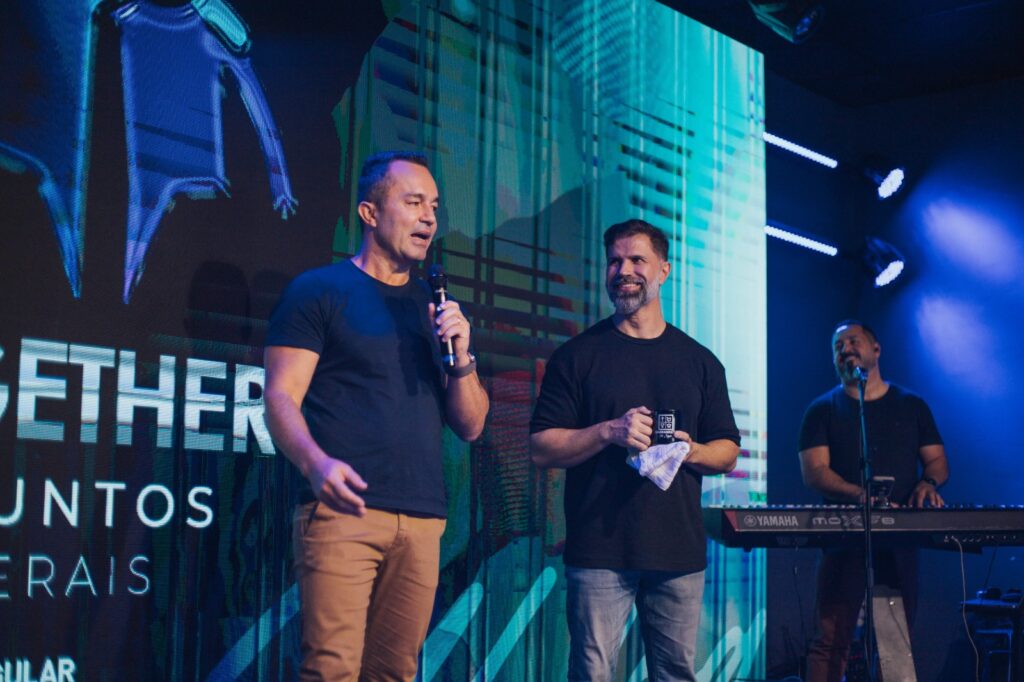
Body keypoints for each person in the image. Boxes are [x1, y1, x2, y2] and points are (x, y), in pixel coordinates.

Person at [263, 151, 489, 681]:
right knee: (332, 669)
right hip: (345, 510)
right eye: (413, 202)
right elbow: (279, 398)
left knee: (395, 673)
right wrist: (316, 464)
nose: (429, 217)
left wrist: (462, 355)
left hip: (423, 518)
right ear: (369, 212)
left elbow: (472, 424)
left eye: (434, 206)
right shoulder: (318, 291)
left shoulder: (434, 308)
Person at [529, 219, 741, 682]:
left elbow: (727, 451)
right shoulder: (577, 356)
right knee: (592, 674)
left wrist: (691, 450)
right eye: (615, 261)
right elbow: (542, 448)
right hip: (598, 551)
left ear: (663, 270)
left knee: (675, 674)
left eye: (636, 260)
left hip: (678, 552)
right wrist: (608, 431)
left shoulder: (701, 362)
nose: (623, 270)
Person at [798, 320, 949, 682]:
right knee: (831, 638)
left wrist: (928, 483)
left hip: (899, 538)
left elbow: (938, 461)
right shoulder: (822, 409)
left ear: (876, 349)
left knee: (896, 641)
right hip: (844, 534)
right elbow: (815, 472)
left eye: (853, 341)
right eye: (837, 346)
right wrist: (861, 496)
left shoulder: (911, 405)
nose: (845, 349)